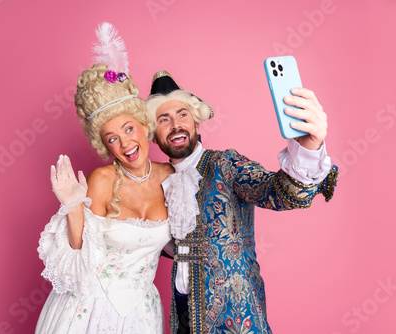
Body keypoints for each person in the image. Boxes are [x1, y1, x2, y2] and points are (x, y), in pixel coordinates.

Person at [145, 71, 339, 333]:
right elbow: (172, 242)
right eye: (163, 120)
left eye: (182, 115)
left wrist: (307, 149)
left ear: (196, 123)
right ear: (154, 135)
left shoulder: (225, 165)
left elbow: (277, 192)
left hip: (237, 316)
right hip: (184, 315)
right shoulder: (158, 182)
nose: (176, 125)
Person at [36, 24, 173, 333]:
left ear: (142, 123)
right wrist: (73, 207)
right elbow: (78, 257)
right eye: (112, 138)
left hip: (142, 314)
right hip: (87, 309)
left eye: (128, 129)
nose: (125, 144)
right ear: (104, 145)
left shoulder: (172, 178)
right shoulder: (101, 180)